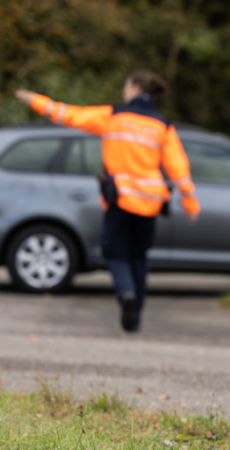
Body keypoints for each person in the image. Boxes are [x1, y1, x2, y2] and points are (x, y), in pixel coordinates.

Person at [15, 70, 200, 333]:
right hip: (150, 202)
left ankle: (125, 292)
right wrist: (191, 203)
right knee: (140, 257)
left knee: (115, 253)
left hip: (120, 200)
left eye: (126, 86)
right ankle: (135, 315)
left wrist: (34, 99)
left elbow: (67, 114)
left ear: (135, 88)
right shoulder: (162, 125)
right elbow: (179, 168)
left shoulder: (114, 116)